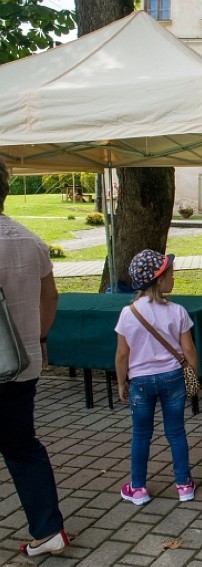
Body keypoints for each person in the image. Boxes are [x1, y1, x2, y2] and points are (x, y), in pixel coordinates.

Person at [0, 160, 69, 557]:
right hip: (22, 362)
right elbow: (51, 297)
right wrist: (39, 336)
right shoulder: (30, 240)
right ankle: (48, 529)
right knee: (22, 446)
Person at [114, 249, 197, 506]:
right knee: (175, 432)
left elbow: (121, 354)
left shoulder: (128, 314)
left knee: (141, 434)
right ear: (159, 280)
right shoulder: (177, 311)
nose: (174, 277)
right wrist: (192, 373)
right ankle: (184, 485)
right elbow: (189, 349)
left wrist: (120, 382)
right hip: (172, 377)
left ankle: (137, 488)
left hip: (140, 381)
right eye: (170, 274)